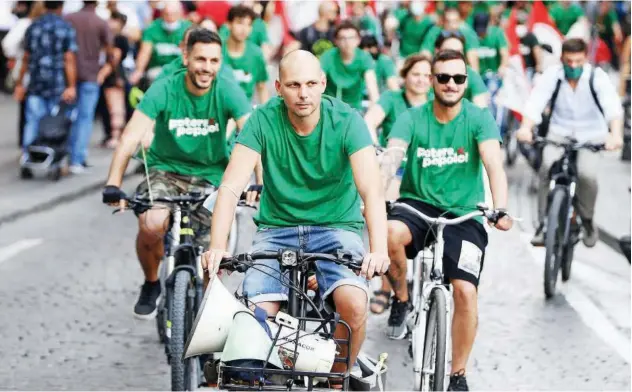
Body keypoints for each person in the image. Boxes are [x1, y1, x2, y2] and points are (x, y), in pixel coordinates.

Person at [202, 49, 390, 379]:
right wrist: (218, 245)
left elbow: (371, 190)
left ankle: (337, 379)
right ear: (278, 87)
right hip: (277, 228)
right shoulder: (262, 120)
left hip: (336, 227)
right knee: (252, 318)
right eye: (293, 85)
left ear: (323, 83)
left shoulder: (348, 121)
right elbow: (231, 187)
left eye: (310, 84)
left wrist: (379, 250)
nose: (303, 94)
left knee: (355, 306)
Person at [380, 49, 512, 391]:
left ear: (466, 82)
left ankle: (458, 373)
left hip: (464, 214)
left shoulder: (479, 118)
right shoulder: (412, 117)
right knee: (390, 232)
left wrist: (501, 208)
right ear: (433, 81)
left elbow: (493, 164)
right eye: (443, 78)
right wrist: (378, 193)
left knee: (466, 292)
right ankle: (402, 298)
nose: (451, 84)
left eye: (459, 78)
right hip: (416, 205)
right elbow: (393, 155)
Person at [101, 29, 256, 319]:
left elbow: (253, 135)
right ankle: (150, 283)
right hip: (165, 171)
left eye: (213, 60)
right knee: (151, 224)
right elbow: (131, 136)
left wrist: (259, 183)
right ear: (185, 57)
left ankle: (211, 320)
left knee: (214, 255)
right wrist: (113, 182)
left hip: (212, 177)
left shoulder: (227, 89)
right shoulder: (165, 87)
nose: (206, 68)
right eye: (200, 59)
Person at [516, 38, 624, 248]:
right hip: (559, 132)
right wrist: (526, 127)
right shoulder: (553, 76)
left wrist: (616, 135)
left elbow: (613, 108)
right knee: (546, 168)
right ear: (561, 59)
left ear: (585, 59)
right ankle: (543, 225)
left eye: (578, 61)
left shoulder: (596, 77)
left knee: (586, 174)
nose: (573, 66)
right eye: (569, 61)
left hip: (591, 135)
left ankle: (587, 220)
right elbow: (535, 102)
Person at [364, 53, 432, 315]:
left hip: (426, 175)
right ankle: (385, 286)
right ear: (405, 77)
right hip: (394, 172)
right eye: (416, 74)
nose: (422, 81)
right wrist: (376, 147)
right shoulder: (392, 99)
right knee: (385, 219)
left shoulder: (436, 104)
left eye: (427, 76)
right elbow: (370, 121)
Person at [13, 0, 77, 179]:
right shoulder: (65, 27)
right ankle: (53, 160)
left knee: (32, 122)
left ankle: (27, 157)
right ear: (61, 7)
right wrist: (71, 85)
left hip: (35, 83)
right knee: (54, 124)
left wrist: (20, 83)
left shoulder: (33, 27)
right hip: (57, 84)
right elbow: (69, 58)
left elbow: (26, 57)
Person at [65, 0, 114, 173]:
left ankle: (64, 155)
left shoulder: (69, 18)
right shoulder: (100, 22)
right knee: (84, 118)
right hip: (91, 75)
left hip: (68, 76)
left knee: (67, 116)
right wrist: (103, 73)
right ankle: (77, 158)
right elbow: (111, 52)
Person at [320, 20, 379, 111]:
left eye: (351, 38)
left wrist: (373, 111)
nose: (347, 42)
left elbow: (372, 86)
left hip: (354, 109)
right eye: (342, 38)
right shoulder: (328, 56)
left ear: (358, 40)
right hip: (329, 107)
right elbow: (318, 79)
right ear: (336, 41)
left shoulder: (364, 57)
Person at [129, 1, 191, 85]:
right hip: (158, 69)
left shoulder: (188, 29)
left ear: (180, 14)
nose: (170, 18)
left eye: (173, 14)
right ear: (162, 13)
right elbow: (145, 52)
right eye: (167, 14)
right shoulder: (152, 28)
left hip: (181, 69)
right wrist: (139, 71)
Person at [222, 5, 269, 106]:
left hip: (244, 110)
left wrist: (266, 117)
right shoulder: (217, 50)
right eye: (240, 23)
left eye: (249, 24)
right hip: (218, 109)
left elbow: (262, 88)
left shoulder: (256, 54)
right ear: (229, 24)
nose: (244, 29)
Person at [429, 32, 489, 108]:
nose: (454, 56)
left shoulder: (471, 74)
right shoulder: (424, 73)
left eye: (459, 52)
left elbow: (480, 105)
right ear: (437, 51)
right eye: (449, 51)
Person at [100, 10, 130, 149]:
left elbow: (114, 59)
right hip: (111, 77)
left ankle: (116, 136)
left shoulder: (119, 39)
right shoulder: (109, 37)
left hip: (114, 77)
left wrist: (100, 75)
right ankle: (111, 135)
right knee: (108, 109)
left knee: (116, 109)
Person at [420, 6, 481, 72]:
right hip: (440, 67)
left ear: (460, 21)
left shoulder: (467, 33)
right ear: (442, 22)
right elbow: (425, 54)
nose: (451, 25)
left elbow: (473, 59)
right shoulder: (435, 32)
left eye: (454, 21)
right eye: (448, 21)